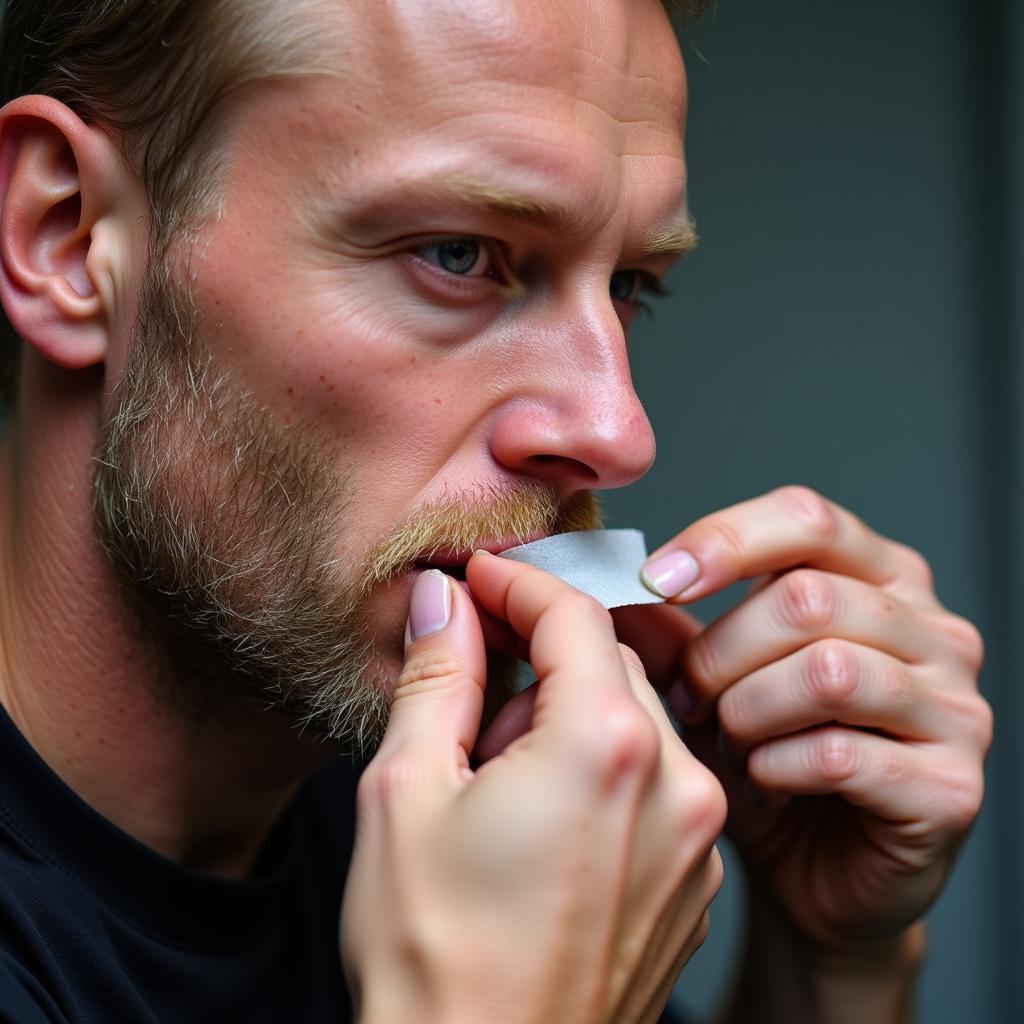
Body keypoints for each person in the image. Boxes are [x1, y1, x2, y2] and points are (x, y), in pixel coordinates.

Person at [0, 0, 991, 1020]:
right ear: (67, 235)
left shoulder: (463, 816)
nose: (619, 431)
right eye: (462, 255)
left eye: (632, 283)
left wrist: (830, 963)